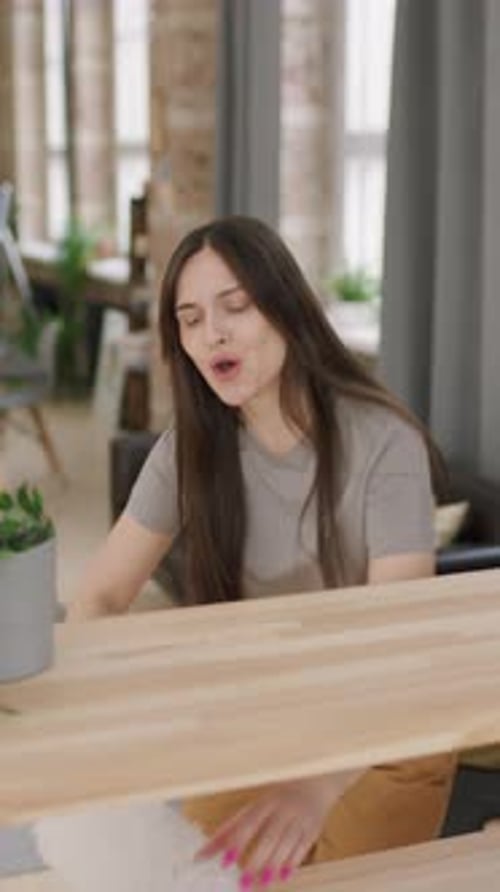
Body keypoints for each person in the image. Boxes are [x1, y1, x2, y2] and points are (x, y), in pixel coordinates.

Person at [69, 216, 456, 887]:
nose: (211, 334)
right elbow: (99, 596)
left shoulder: (385, 442)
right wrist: (113, 713)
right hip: (262, 721)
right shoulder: (189, 451)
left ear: (285, 307)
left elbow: (397, 648)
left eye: (236, 306)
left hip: (385, 726)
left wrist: (316, 786)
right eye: (190, 319)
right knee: (196, 879)